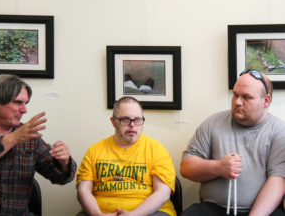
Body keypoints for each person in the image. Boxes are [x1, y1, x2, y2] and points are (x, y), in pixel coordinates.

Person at [180, 69, 285, 216]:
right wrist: (218, 167)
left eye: (246, 97)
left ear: (266, 101)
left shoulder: (279, 131)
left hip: (262, 211)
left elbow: (278, 180)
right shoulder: (213, 123)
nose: (237, 102)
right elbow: (186, 168)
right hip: (213, 208)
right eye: (235, 94)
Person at [0, 74, 77, 215]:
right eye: (17, 102)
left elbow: (60, 178)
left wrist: (64, 162)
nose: (24, 110)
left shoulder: (29, 138)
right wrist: (14, 138)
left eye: (25, 103)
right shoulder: (22, 134)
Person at [76, 96, 176, 216]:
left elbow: (163, 192)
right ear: (113, 122)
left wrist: (134, 214)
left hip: (151, 213)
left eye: (138, 120)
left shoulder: (156, 149)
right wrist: (98, 214)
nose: (132, 125)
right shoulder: (94, 150)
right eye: (125, 120)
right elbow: (83, 190)